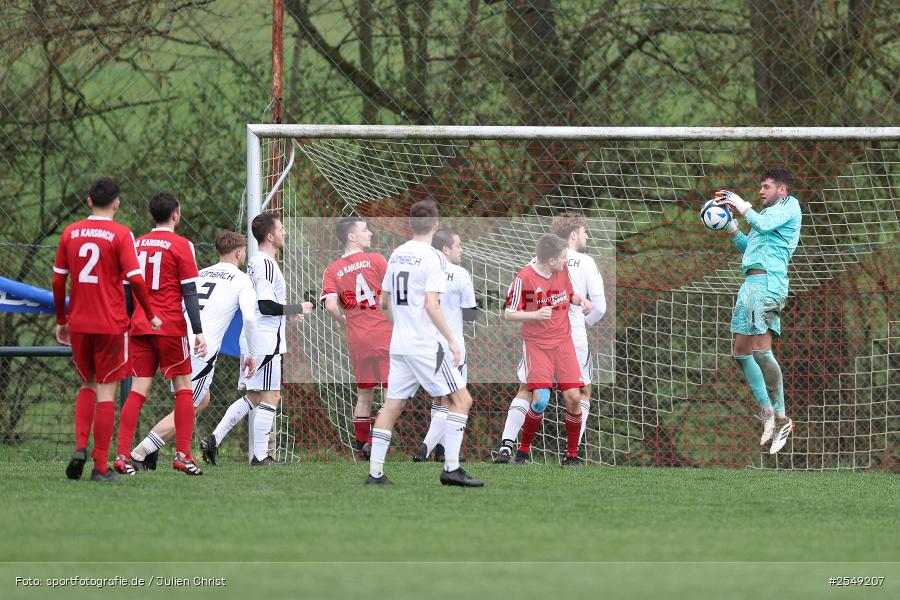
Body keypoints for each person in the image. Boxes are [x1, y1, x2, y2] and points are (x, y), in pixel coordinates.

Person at [367, 199, 483, 486]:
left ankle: (375, 473)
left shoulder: (396, 254)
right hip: (425, 346)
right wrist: (452, 339)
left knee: (390, 408)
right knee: (462, 400)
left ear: (410, 224)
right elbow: (432, 305)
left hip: (400, 345)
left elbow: (383, 302)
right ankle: (451, 468)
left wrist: (402, 324)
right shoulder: (434, 258)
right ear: (437, 224)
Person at [52, 178, 161, 482]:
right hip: (110, 323)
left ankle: (78, 448)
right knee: (107, 391)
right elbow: (136, 281)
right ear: (117, 204)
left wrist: (62, 320)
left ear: (88, 202)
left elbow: (59, 281)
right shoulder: (120, 234)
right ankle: (100, 466)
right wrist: (150, 313)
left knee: (87, 384)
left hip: (80, 323)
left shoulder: (70, 232)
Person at [124, 231, 258, 468]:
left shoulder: (203, 272)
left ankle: (151, 448)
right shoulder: (242, 278)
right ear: (239, 252)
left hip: (176, 336)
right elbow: (249, 319)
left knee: (202, 398)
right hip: (199, 347)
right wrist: (251, 354)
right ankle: (140, 452)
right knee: (190, 404)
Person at [495, 213, 606, 463]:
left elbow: (569, 294)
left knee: (573, 396)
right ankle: (519, 451)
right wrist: (536, 315)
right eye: (584, 230)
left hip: (565, 340)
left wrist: (581, 300)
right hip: (541, 344)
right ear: (552, 258)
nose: (567, 261)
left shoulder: (561, 267)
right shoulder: (527, 276)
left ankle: (572, 456)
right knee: (544, 397)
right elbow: (511, 312)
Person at [203, 212, 312, 466]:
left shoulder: (259, 262)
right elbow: (264, 306)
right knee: (271, 397)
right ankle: (261, 457)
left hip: (260, 337)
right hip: (264, 340)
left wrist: (286, 314)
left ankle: (213, 441)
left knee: (254, 397)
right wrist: (297, 308)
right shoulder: (265, 263)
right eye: (282, 229)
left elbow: (267, 303)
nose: (285, 232)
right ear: (271, 236)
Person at [113, 192, 207, 476]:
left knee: (138, 391)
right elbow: (189, 291)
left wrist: (128, 324)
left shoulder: (137, 243)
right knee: (184, 389)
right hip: (169, 326)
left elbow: (128, 290)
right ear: (175, 214)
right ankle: (183, 455)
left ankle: (121, 456)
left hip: (140, 326)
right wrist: (198, 331)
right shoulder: (182, 245)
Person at [715, 168, 802, 454]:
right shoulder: (765, 217)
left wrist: (738, 203)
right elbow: (750, 245)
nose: (761, 191)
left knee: (762, 352)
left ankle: (781, 417)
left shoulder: (789, 207)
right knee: (740, 352)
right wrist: (729, 227)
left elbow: (762, 226)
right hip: (750, 285)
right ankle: (767, 411)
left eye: (766, 187)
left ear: (782, 190)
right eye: (760, 187)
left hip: (768, 285)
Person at [320, 217, 392, 459]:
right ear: (351, 236)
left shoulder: (332, 269)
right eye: (364, 229)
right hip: (384, 333)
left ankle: (361, 448)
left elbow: (330, 306)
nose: (369, 233)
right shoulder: (377, 260)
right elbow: (391, 296)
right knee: (392, 394)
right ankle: (374, 440)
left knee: (364, 394)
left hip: (357, 337)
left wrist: (344, 322)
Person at [413, 228, 478, 462]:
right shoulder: (460, 273)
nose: (461, 249)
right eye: (458, 245)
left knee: (440, 399)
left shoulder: (421, 271)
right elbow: (471, 315)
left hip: (424, 344)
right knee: (456, 400)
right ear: (446, 249)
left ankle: (439, 451)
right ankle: (426, 447)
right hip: (452, 345)